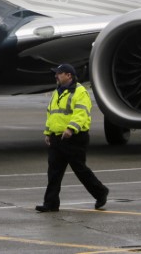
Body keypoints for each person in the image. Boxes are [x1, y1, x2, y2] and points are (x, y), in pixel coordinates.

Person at [36, 63, 109, 212]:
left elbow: (81, 113)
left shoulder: (80, 92)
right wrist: (48, 132)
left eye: (59, 73)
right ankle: (50, 204)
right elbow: (52, 113)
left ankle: (100, 192)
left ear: (69, 75)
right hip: (57, 138)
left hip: (74, 138)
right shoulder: (57, 92)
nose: (56, 75)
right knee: (54, 173)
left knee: (80, 170)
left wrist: (71, 128)